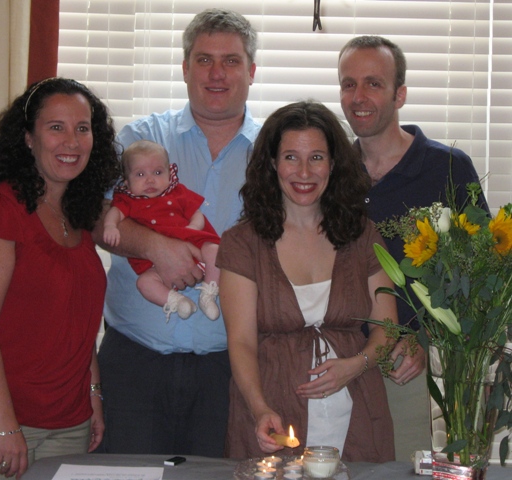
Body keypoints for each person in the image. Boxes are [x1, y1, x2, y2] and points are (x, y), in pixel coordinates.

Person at [0, 77, 120, 479]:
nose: (71, 141)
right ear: (28, 138)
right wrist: (5, 424)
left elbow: (76, 321)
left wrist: (93, 395)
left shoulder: (77, 215)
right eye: (56, 127)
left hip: (68, 422)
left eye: (82, 128)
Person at [94, 8, 260, 457]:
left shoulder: (275, 152)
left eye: (231, 61)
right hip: (133, 363)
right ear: (186, 68)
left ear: (251, 71)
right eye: (204, 60)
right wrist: (155, 246)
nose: (217, 73)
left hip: (230, 369)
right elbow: (94, 217)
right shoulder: (141, 138)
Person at [218, 100, 397, 462]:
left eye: (316, 157)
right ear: (272, 163)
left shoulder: (363, 235)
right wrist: (259, 408)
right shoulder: (242, 243)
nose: (304, 172)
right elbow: (241, 342)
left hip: (359, 411)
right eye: (291, 157)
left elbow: (388, 328)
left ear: (333, 163)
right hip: (273, 413)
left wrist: (356, 364)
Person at [338, 35, 488, 459]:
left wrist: (426, 340)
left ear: (399, 94)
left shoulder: (447, 168)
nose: (358, 97)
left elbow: (478, 278)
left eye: (373, 83)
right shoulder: (329, 173)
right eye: (348, 84)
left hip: (407, 369)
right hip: (338, 359)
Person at [103, 140, 222, 322]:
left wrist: (193, 228)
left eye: (158, 172)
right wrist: (110, 226)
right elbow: (115, 213)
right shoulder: (128, 200)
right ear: (127, 182)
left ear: (168, 173)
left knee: (215, 251)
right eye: (140, 174)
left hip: (191, 242)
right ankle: (177, 302)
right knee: (144, 283)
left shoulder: (177, 192)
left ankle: (208, 294)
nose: (150, 179)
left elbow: (196, 214)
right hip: (155, 264)